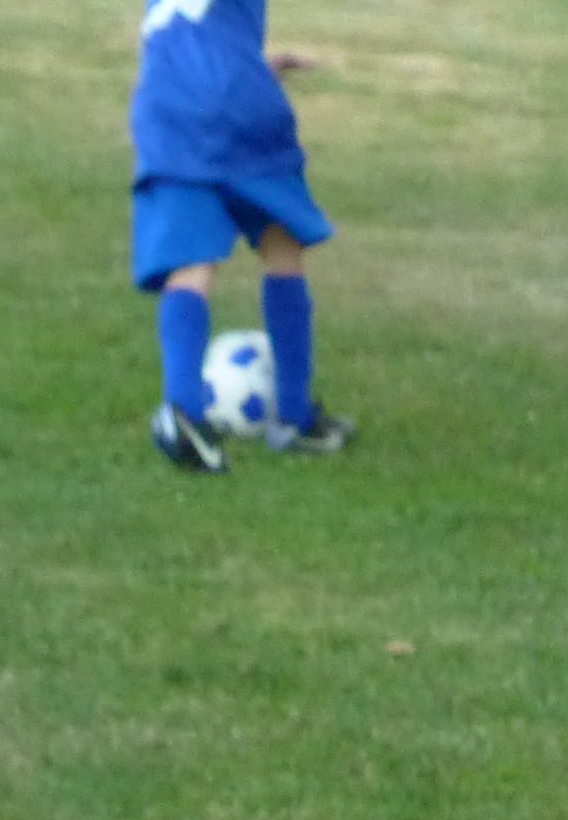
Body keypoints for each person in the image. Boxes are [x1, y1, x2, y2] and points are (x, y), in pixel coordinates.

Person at [132, 1, 347, 469]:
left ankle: (183, 414)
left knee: (190, 262)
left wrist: (250, 65)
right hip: (236, 99)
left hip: (163, 108)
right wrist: (246, 77)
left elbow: (193, 34)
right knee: (281, 243)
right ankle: (293, 415)